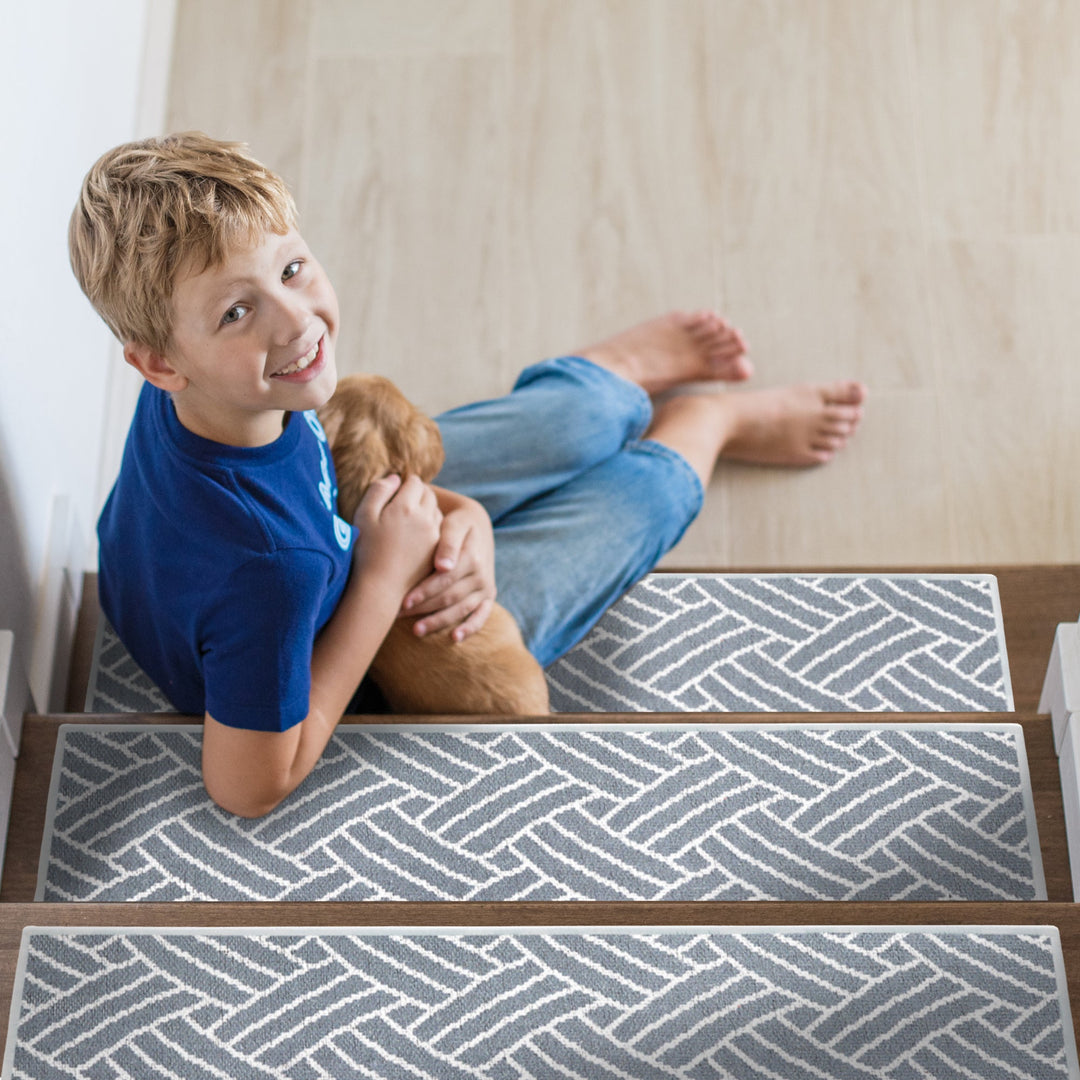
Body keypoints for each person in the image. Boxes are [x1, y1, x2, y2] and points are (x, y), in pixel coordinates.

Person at [70, 132, 866, 818]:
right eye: (236, 313)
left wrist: (462, 515)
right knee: (639, 497)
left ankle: (611, 381)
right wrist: (384, 575)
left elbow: (312, 483)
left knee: (570, 427)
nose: (297, 321)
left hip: (335, 532)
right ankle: (707, 424)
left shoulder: (206, 399)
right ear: (160, 362)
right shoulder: (272, 571)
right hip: (365, 627)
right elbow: (247, 788)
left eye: (292, 269)